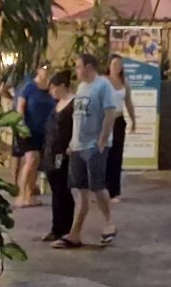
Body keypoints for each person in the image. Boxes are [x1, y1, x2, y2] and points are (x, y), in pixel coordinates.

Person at [55, 51, 117, 250]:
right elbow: (77, 118)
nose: (76, 70)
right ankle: (75, 233)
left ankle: (108, 224)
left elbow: (110, 113)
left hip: (94, 146)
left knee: (97, 186)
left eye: (78, 66)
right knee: (81, 191)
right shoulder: (81, 87)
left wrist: (102, 140)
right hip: (78, 146)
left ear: (88, 67)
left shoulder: (103, 85)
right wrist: (72, 143)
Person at [104, 54, 140, 232]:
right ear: (109, 65)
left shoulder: (124, 83)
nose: (117, 67)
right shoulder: (103, 81)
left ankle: (114, 191)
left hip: (119, 120)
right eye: (114, 64)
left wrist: (133, 120)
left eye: (119, 64)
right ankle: (101, 188)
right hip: (105, 120)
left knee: (116, 156)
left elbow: (129, 103)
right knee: (105, 154)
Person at [39, 67, 76, 243]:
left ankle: (65, 227)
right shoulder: (57, 105)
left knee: (62, 187)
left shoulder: (72, 104)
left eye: (54, 88)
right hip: (51, 151)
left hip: (63, 152)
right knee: (55, 188)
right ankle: (56, 226)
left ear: (62, 86)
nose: (52, 92)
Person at [13, 62, 54, 207]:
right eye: (44, 69)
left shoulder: (50, 89)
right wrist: (21, 125)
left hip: (42, 131)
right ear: (38, 70)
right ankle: (21, 194)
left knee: (36, 163)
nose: (47, 72)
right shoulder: (29, 87)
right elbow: (20, 107)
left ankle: (30, 194)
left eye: (49, 69)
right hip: (27, 128)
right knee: (31, 159)